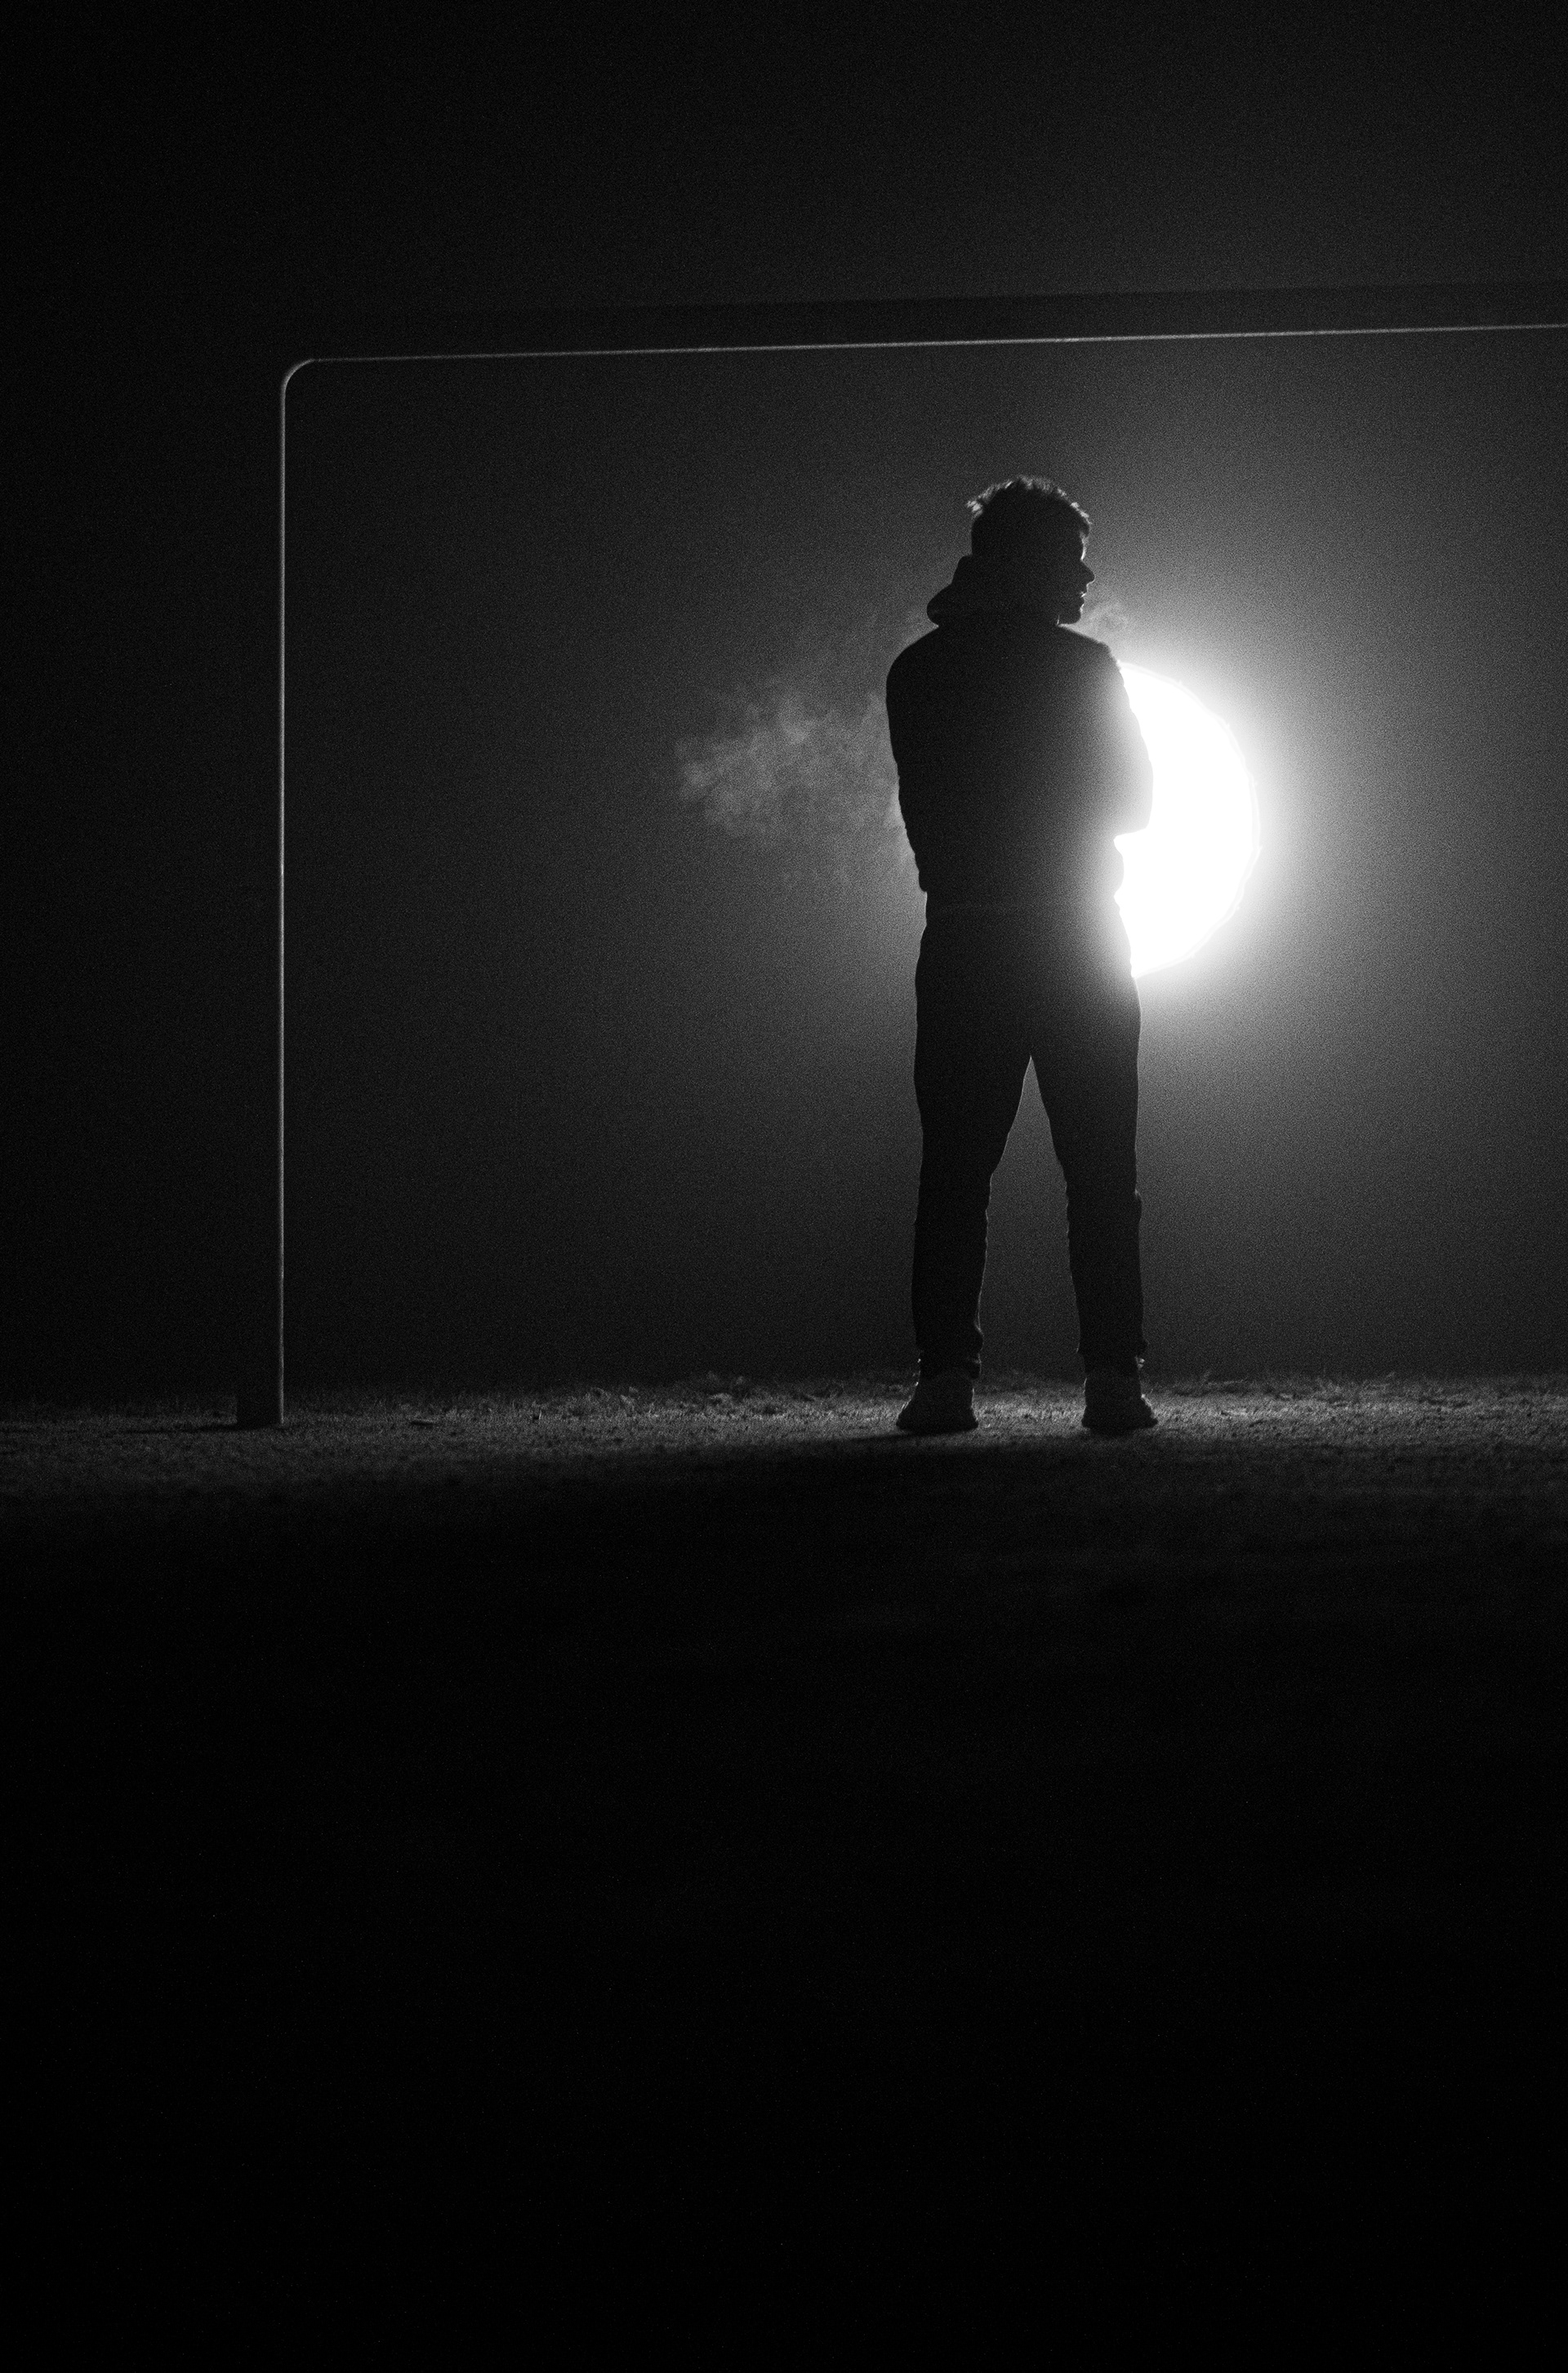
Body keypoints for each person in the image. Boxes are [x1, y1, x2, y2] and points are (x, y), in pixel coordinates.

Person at [885, 476, 1156, 1436]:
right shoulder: (1084, 668)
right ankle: (1113, 1378)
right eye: (1070, 559)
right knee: (1101, 1168)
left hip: (966, 934)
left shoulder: (918, 671)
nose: (1085, 577)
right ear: (1029, 562)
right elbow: (1136, 803)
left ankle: (945, 1377)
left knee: (955, 1171)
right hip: (1078, 933)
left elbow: (933, 811)